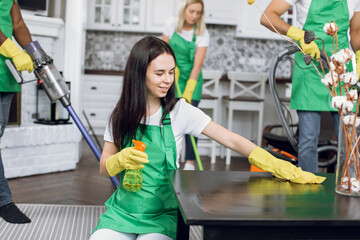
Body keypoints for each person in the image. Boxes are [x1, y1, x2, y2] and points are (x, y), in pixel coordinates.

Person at [89, 36, 325, 240]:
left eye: (171, 72)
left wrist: (277, 165)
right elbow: (104, 167)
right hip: (122, 212)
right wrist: (119, 160)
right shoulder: (119, 113)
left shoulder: (179, 111)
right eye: (159, 73)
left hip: (162, 214)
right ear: (139, 74)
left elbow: (232, 140)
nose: (168, 80)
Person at [259, 0, 360, 173]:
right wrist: (299, 35)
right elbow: (267, 16)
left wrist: (359, 53)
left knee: (350, 140)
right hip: (309, 67)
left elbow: (356, 33)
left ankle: (349, 190)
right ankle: (306, 191)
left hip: (342, 68)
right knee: (307, 139)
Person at [162, 0, 209, 170]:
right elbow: (163, 52)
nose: (194, 16)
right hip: (171, 75)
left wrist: (189, 90)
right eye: (192, 11)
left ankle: (190, 162)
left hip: (192, 79)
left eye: (198, 13)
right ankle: (168, 157)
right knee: (169, 115)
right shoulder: (171, 24)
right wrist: (170, 73)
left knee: (191, 117)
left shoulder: (202, 33)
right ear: (184, 10)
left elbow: (197, 64)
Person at [0, 0, 34, 224]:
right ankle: (4, 201)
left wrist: (35, 53)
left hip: (5, 73)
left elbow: (18, 23)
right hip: (8, 57)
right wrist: (13, 50)